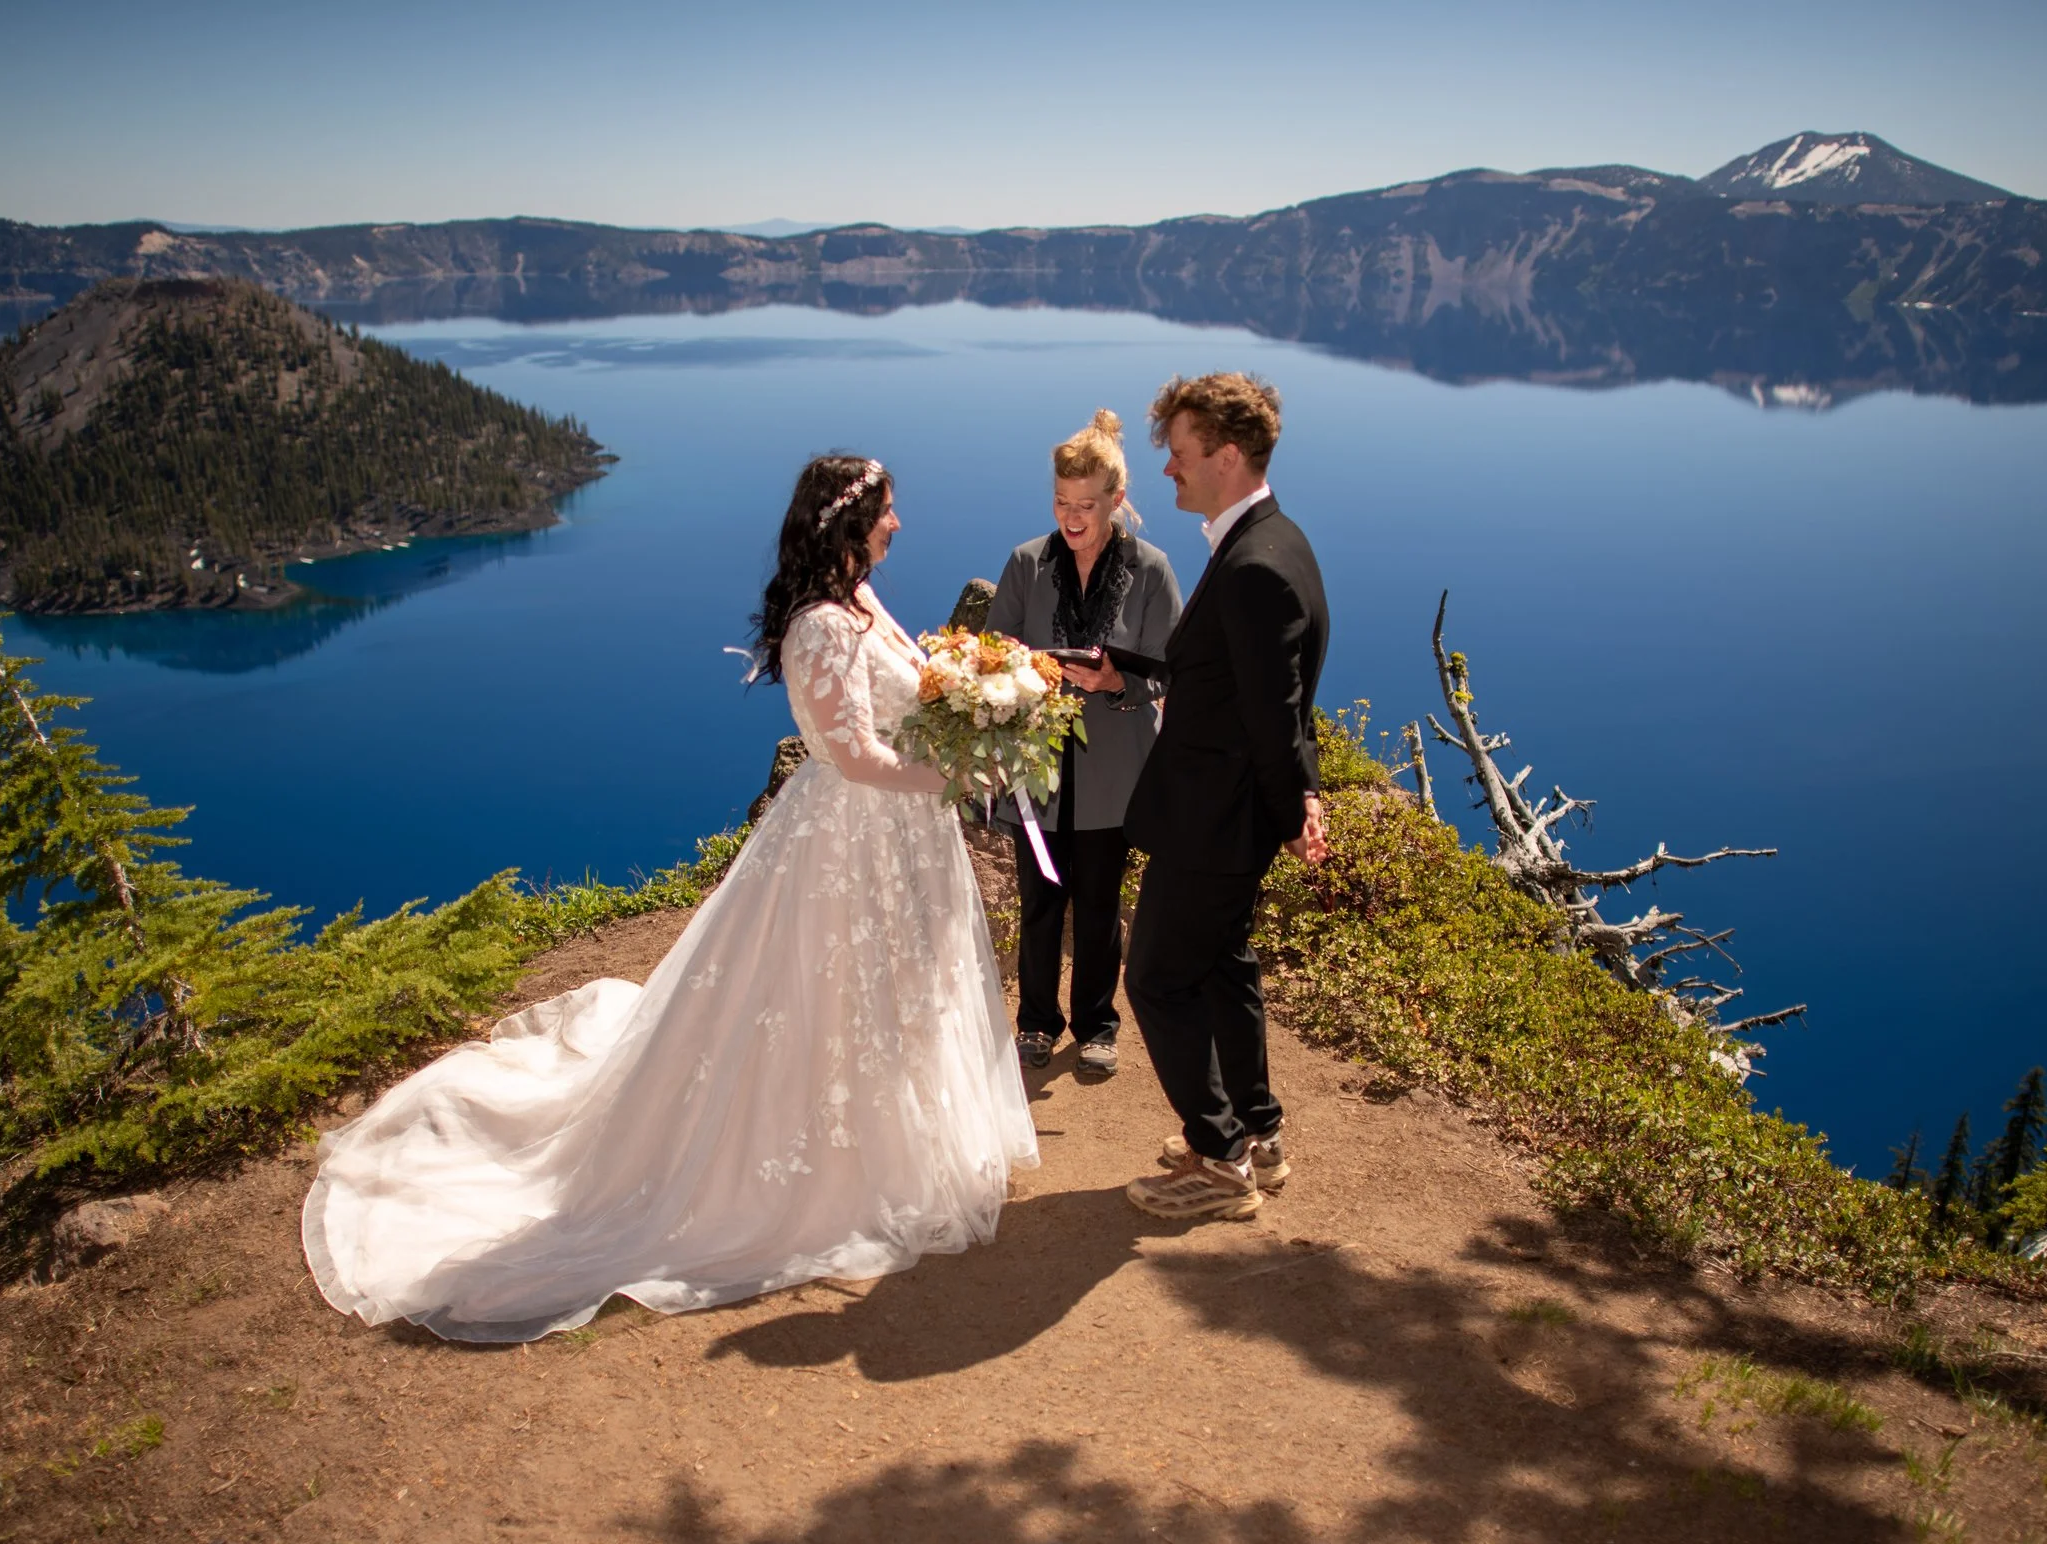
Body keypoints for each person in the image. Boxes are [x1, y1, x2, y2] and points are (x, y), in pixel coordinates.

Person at [301, 456, 1039, 1341]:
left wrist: (967, 699)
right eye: (887, 512)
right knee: (818, 994)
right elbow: (855, 760)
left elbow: (908, 695)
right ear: (848, 523)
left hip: (897, 838)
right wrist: (955, 772)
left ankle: (904, 1144)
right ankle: (826, 1174)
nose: (899, 524)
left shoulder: (862, 602)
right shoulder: (819, 628)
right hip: (848, 836)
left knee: (894, 993)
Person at [1119, 373, 1330, 1222]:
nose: (1166, 468)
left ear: (1228, 455)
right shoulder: (1276, 541)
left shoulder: (1252, 569)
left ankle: (1217, 1158)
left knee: (1159, 979)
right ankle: (1261, 1133)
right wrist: (1127, 669)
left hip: (1214, 823)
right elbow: (1247, 683)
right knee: (1224, 967)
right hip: (1226, 813)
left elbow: (1274, 717)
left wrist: (1291, 814)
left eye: (1179, 453)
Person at [984, 410, 1182, 1081]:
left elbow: (1167, 669)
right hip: (1036, 778)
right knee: (1041, 903)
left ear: (1116, 501)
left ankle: (1098, 1024)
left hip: (1114, 777)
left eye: (1087, 505)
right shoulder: (1025, 564)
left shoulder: (1152, 570)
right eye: (1063, 503)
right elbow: (994, 652)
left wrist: (1115, 677)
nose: (1072, 517)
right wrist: (1027, 669)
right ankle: (1037, 1022)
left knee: (1099, 907)